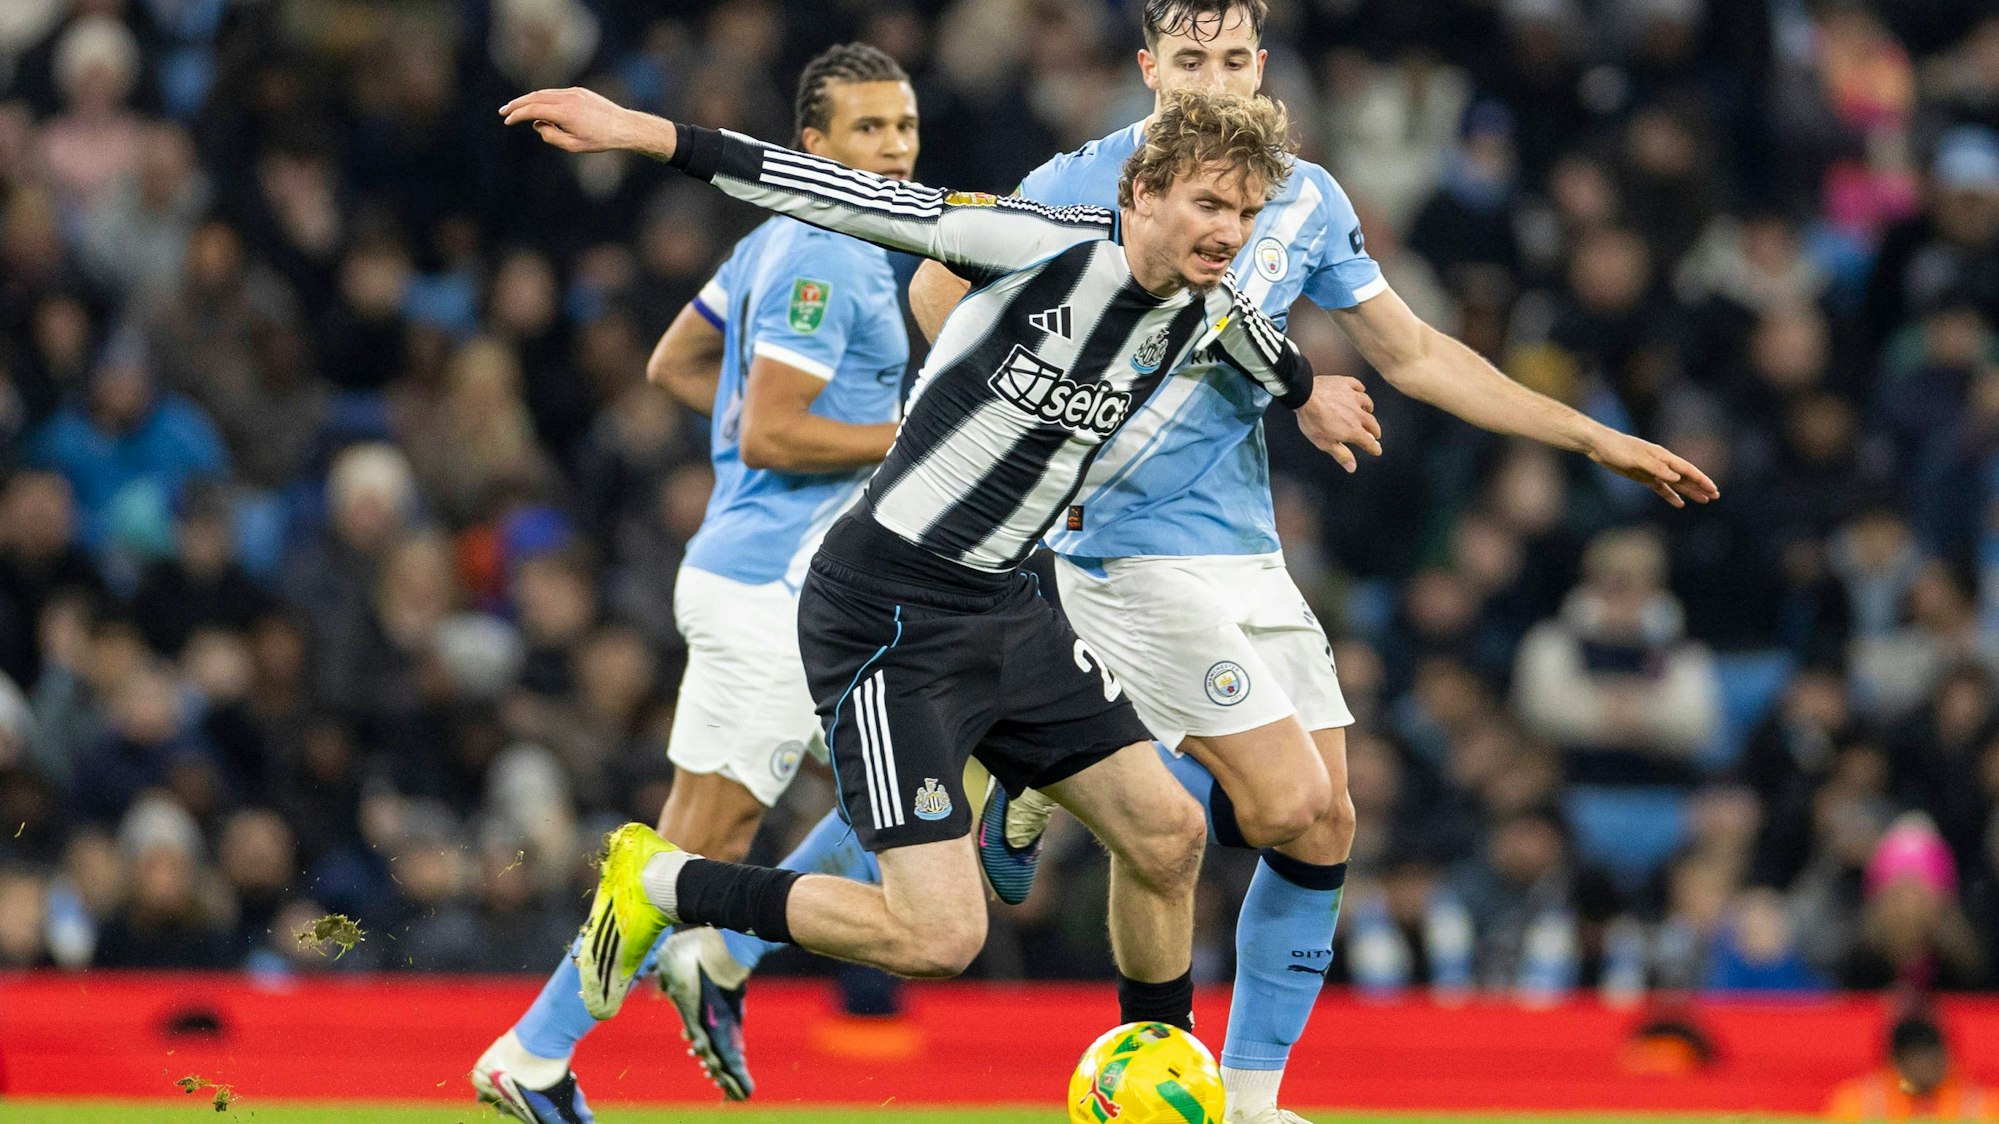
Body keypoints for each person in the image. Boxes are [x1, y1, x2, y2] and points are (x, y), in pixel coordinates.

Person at [757, 3, 1715, 1121]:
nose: (1210, 80)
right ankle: (1026, 801)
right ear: (1147, 68)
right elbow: (939, 289)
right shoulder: (1092, 182)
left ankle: (1250, 1097)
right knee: (1272, 799)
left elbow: (1404, 351)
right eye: (1187, 60)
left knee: (1325, 823)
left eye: (1230, 59)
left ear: (1261, 67)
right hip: (1112, 549)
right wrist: (999, 438)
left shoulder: (1300, 195)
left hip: (1244, 548)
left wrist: (1590, 434)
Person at [498, 79, 1423, 1093]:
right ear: (1144, 190)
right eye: (1210, 205)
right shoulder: (1039, 243)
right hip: (886, 614)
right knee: (940, 936)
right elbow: (834, 194)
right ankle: (665, 881)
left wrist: (1308, 394)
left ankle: (1162, 1078)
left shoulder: (1205, 299)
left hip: (1005, 604)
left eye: (1246, 214)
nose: (1230, 232)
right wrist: (643, 132)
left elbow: (1256, 336)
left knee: (1168, 834)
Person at [469, 43, 918, 1123]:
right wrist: (907, 442)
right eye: (869, 131)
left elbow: (675, 362)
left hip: (766, 576)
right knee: (695, 849)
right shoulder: (832, 260)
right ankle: (534, 1052)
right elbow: (770, 424)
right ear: (811, 146)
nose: (897, 153)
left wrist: (748, 441)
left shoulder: (774, 240)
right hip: (771, 593)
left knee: (922, 779)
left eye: (905, 128)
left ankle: (714, 961)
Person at [1825, 1014, 1997, 1120]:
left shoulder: (1983, 1104)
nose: (1930, 1064)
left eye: (1935, 1054)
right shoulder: (1858, 1101)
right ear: (1896, 1061)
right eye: (1918, 1055)